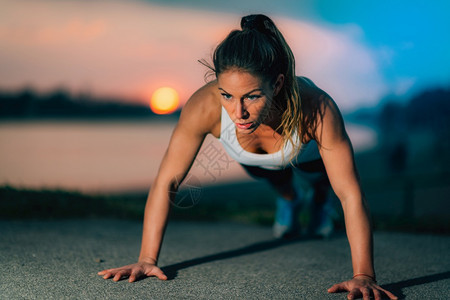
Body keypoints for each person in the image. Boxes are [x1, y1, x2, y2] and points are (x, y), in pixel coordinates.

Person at [98, 14, 397, 300]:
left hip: (306, 156)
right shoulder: (204, 106)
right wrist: (146, 258)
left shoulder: (317, 108)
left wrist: (364, 275)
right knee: (272, 175)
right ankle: (291, 200)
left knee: (319, 180)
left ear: (277, 84)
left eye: (252, 96)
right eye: (227, 95)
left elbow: (350, 194)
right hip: (255, 160)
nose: (238, 113)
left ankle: (318, 203)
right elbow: (168, 180)